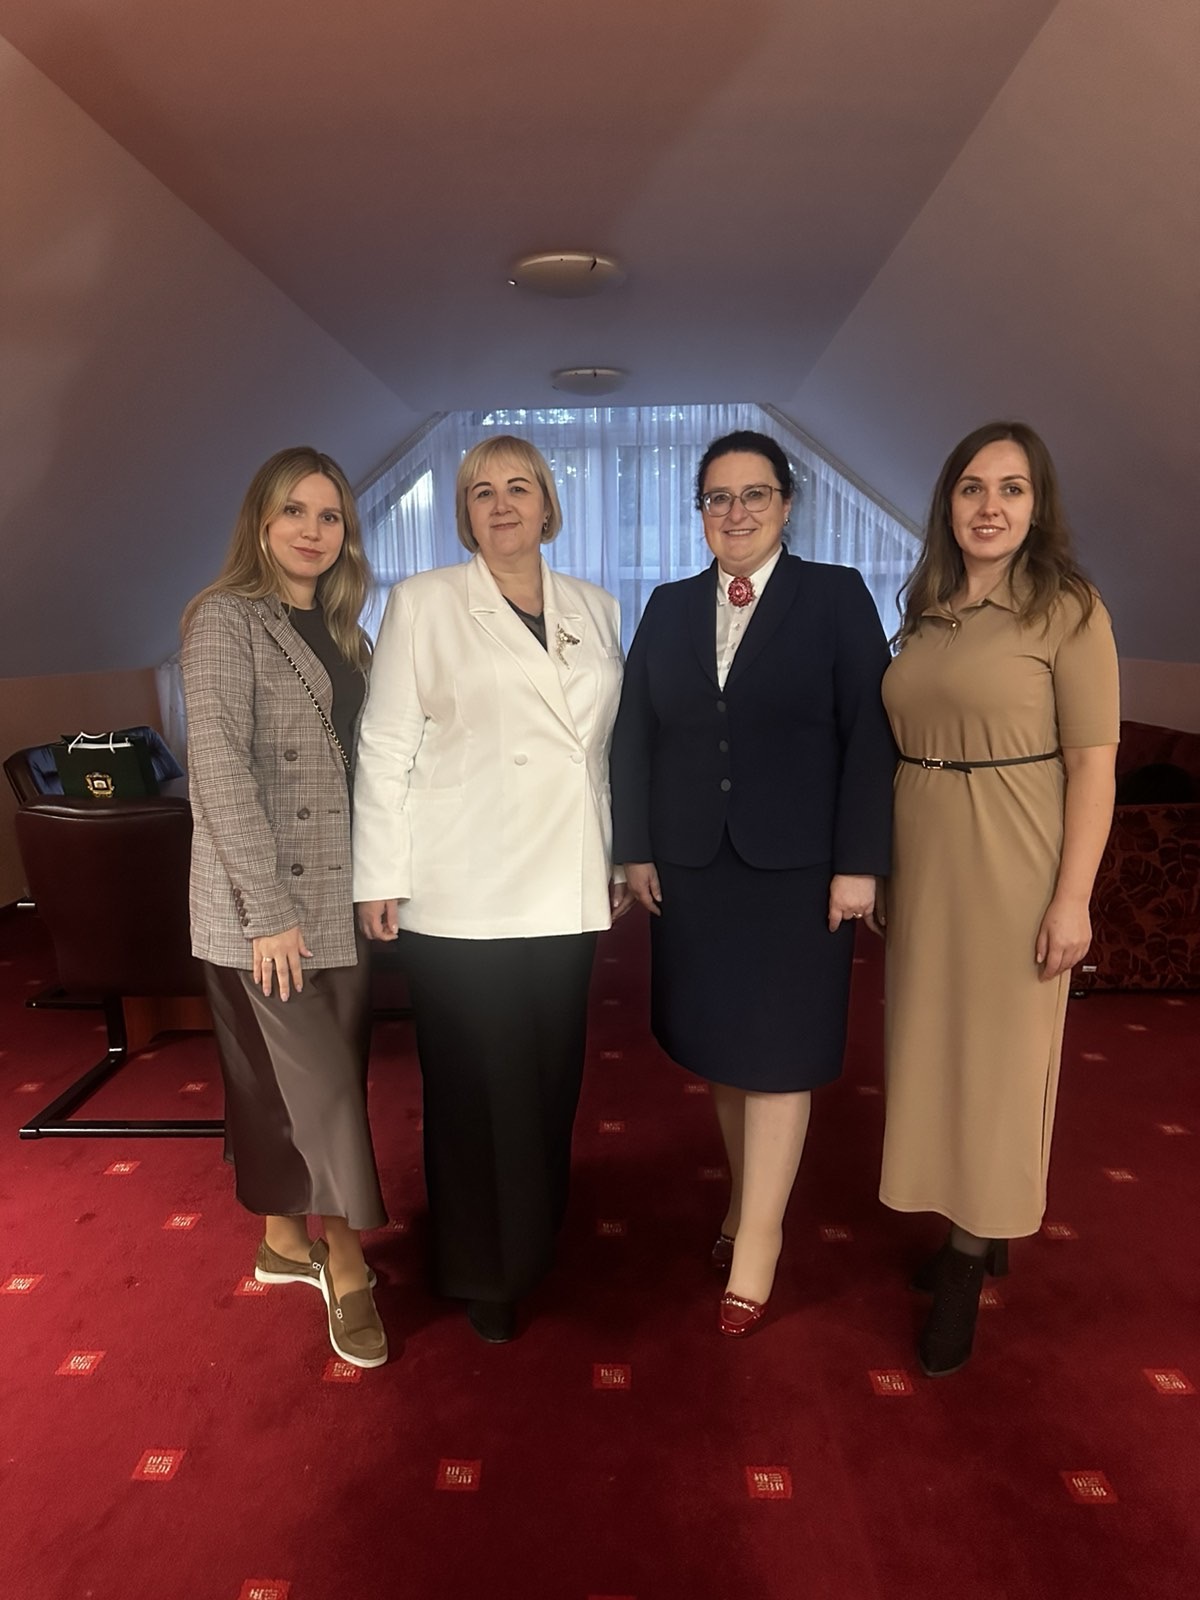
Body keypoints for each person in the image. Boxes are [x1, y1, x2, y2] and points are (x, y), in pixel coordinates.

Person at [610, 429, 896, 1336]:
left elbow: (871, 738)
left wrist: (860, 863)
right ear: (700, 511)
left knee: (777, 1056)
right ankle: (742, 1203)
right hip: (695, 870)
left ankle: (760, 1242)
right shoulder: (667, 606)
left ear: (786, 503)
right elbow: (634, 735)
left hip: (798, 874)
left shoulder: (835, 596)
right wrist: (635, 848)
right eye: (718, 497)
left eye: (754, 494)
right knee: (723, 1050)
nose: (736, 513)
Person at [353, 434, 627, 1344]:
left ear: (549, 504)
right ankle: (481, 1266)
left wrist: (614, 856)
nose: (502, 505)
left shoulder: (597, 607)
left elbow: (601, 755)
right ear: (464, 513)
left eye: (519, 488)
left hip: (564, 881)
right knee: (476, 1082)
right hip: (460, 884)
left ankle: (534, 1233)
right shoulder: (425, 602)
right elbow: (386, 744)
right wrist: (379, 873)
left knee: (549, 1073)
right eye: (482, 492)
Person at [876, 420, 1119, 1377]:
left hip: (1015, 860)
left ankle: (971, 1258)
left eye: (1011, 489)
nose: (990, 507)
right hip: (925, 857)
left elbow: (1093, 769)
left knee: (1002, 1063)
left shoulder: (1070, 610)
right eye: (972, 488)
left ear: (1037, 504)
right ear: (949, 502)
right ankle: (967, 1221)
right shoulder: (927, 605)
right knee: (933, 1049)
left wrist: (1074, 899)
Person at [181, 446, 388, 1370]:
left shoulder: (346, 630)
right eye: (294, 512)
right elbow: (219, 769)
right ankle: (345, 1261)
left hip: (337, 896)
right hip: (260, 906)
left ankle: (279, 1241)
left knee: (304, 1079)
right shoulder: (225, 618)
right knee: (324, 1090)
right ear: (260, 524)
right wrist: (266, 910)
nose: (313, 530)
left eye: (329, 515)